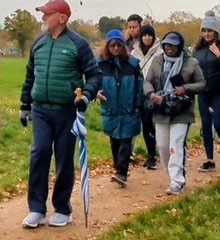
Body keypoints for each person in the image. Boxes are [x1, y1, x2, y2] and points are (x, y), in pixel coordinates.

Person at [19, 0, 102, 229]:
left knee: (64, 158)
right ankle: (36, 209)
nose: (44, 17)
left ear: (62, 18)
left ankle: (63, 209)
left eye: (48, 14)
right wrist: (25, 104)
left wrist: (86, 95)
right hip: (41, 110)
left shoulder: (78, 44)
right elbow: (30, 75)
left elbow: (94, 74)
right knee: (39, 153)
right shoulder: (39, 43)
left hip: (67, 111)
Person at [142, 31, 205, 195]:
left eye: (173, 45)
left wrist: (185, 88)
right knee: (163, 146)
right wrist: (151, 94)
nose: (169, 48)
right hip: (161, 109)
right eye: (167, 45)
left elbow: (202, 84)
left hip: (182, 110)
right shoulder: (157, 61)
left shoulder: (191, 62)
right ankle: (173, 175)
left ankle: (177, 181)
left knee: (175, 144)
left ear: (180, 46)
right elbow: (147, 81)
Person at [86, 30, 144, 186]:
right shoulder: (100, 65)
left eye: (119, 45)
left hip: (129, 108)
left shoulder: (133, 64)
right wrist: (95, 93)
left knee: (126, 140)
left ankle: (121, 172)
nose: (116, 48)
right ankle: (118, 168)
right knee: (115, 140)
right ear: (108, 46)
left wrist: (138, 104)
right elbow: (92, 82)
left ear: (124, 46)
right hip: (110, 108)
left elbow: (139, 86)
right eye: (113, 45)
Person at [190, 11, 220, 172]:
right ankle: (209, 160)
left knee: (218, 123)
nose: (206, 34)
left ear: (216, 31)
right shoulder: (197, 49)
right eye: (204, 30)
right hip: (203, 91)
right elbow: (191, 68)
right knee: (205, 125)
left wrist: (218, 54)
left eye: (210, 30)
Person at [130, 25, 161, 170]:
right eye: (144, 35)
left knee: (149, 124)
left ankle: (152, 155)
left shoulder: (159, 52)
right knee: (138, 124)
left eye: (149, 35)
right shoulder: (134, 53)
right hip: (137, 92)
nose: (147, 38)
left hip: (153, 92)